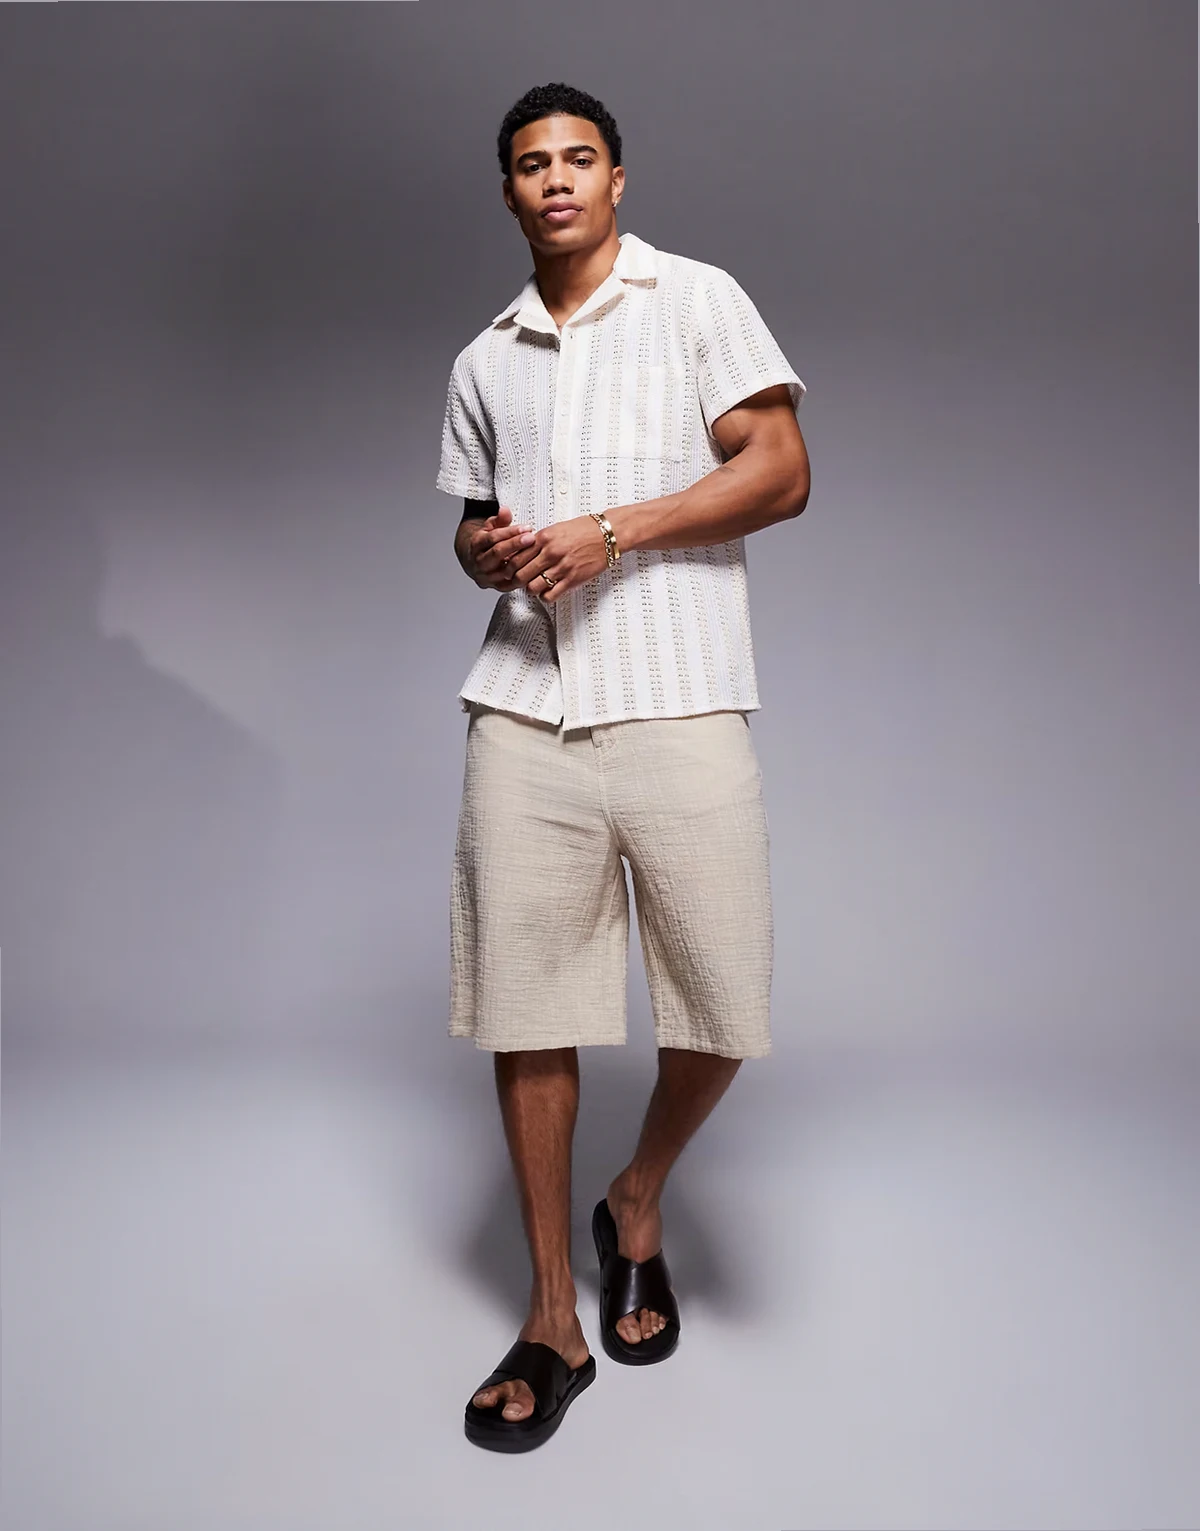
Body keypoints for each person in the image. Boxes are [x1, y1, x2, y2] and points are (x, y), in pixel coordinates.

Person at [436, 81, 809, 1452]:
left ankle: (636, 1195)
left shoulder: (697, 299)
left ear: (616, 178)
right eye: (531, 164)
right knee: (529, 1008)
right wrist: (486, 550)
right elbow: (472, 524)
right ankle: (552, 1316)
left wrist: (610, 530)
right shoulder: (483, 358)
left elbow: (781, 469)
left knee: (723, 999)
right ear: (508, 191)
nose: (556, 180)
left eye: (578, 158)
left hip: (680, 695)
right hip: (523, 710)